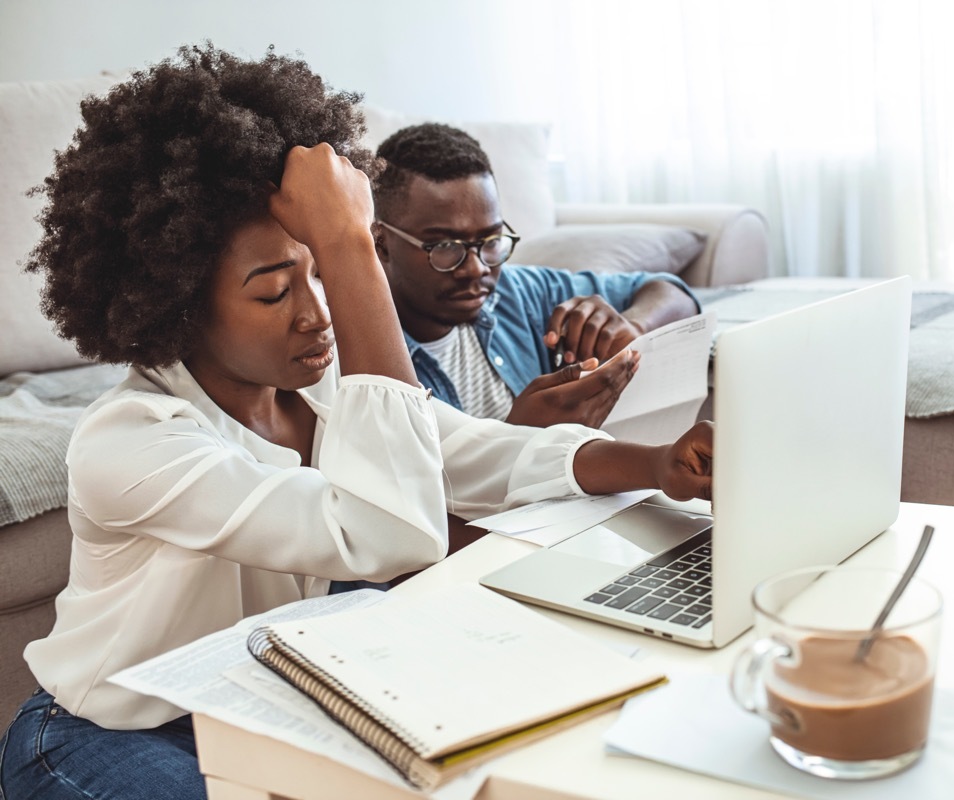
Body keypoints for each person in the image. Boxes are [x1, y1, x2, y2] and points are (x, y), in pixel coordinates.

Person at [0, 44, 712, 800]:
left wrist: (657, 464)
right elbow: (390, 530)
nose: (318, 315)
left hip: (265, 699)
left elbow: (477, 454)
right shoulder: (133, 442)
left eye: (320, 273)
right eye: (276, 294)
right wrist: (346, 248)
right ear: (176, 305)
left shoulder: (318, 394)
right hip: (108, 735)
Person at [371, 122, 702, 428]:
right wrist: (523, 437)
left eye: (491, 240)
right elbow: (422, 483)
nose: (477, 268)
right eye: (444, 246)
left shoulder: (519, 293)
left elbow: (672, 293)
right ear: (381, 243)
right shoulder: (365, 356)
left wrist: (634, 326)